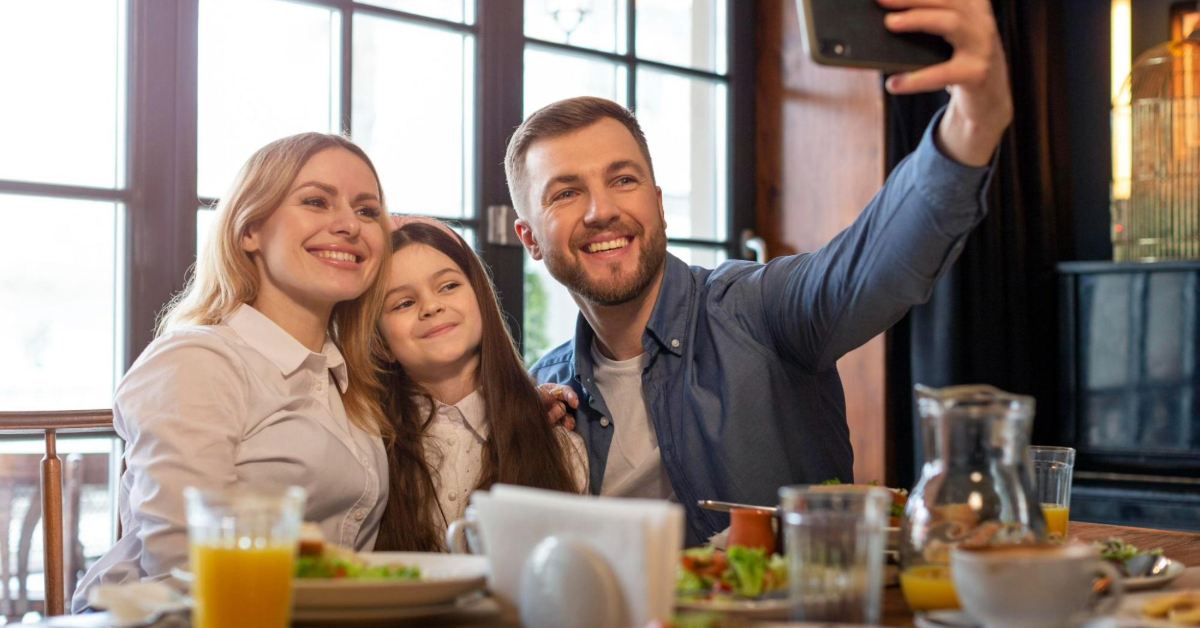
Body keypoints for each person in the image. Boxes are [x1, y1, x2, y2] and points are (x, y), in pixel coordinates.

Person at [505, 0, 1013, 543]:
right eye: (565, 192)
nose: (600, 209)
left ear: (658, 203)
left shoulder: (760, 309)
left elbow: (875, 262)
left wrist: (973, 119)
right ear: (531, 238)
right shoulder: (542, 393)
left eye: (623, 180)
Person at [74, 133, 394, 611]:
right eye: (316, 201)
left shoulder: (348, 378)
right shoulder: (198, 360)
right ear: (249, 231)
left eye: (368, 211)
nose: (349, 224)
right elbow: (183, 561)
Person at [372, 221, 588, 552]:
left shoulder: (559, 446)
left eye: (447, 286)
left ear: (481, 299)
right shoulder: (365, 449)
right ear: (380, 343)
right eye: (403, 303)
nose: (431, 306)